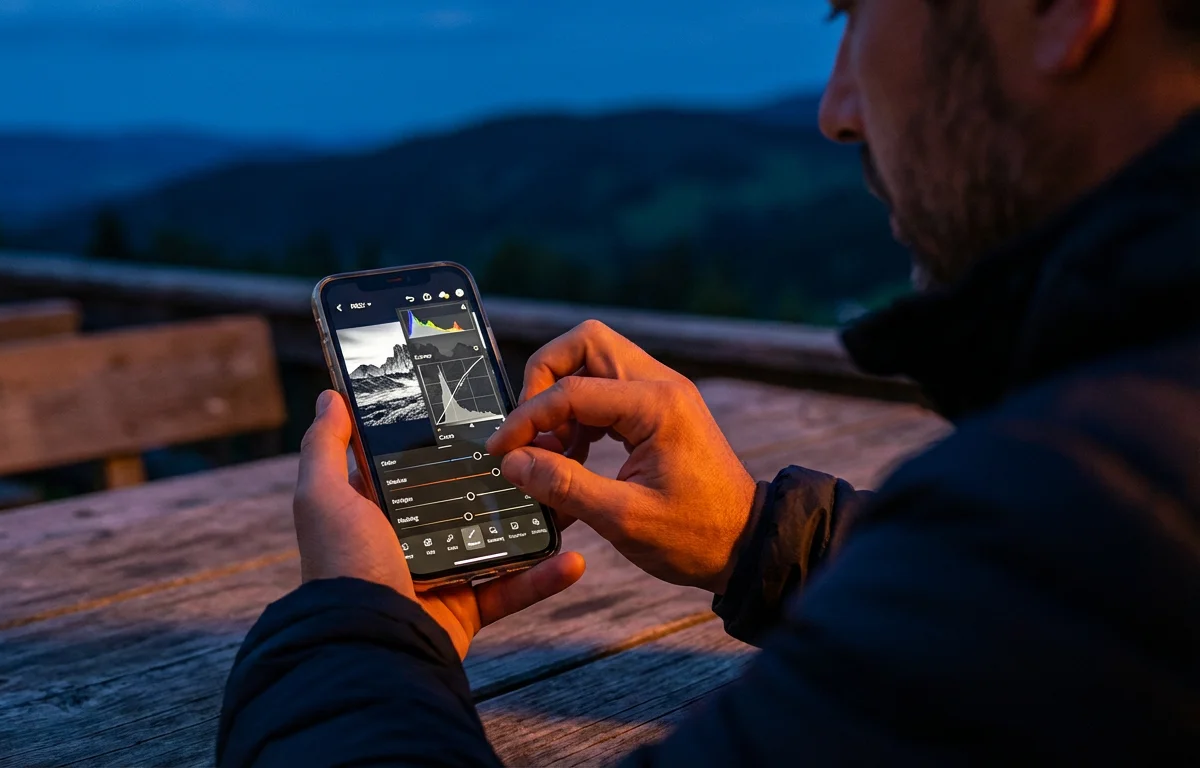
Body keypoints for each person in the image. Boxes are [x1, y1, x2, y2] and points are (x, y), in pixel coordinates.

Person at [218, 0, 1200, 764]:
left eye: (855, 13)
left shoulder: (1099, 502)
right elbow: (1021, 636)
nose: (836, 110)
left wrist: (349, 629)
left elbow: (1041, 583)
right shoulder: (1113, 495)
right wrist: (756, 538)